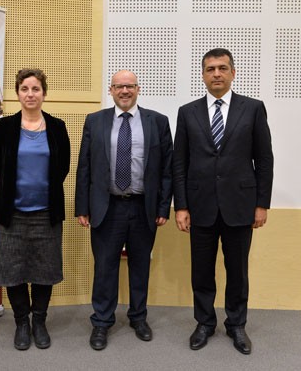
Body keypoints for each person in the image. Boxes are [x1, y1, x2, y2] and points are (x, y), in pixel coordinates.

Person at [172, 48, 273, 355]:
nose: (216, 73)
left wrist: (261, 204)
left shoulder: (253, 109)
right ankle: (204, 323)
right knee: (201, 271)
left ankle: (236, 324)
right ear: (203, 75)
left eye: (222, 68)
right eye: (210, 69)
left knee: (238, 270)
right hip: (200, 205)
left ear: (233, 72)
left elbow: (264, 159)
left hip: (240, 205)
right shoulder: (187, 112)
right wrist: (181, 206)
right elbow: (180, 162)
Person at [75, 70, 173, 350]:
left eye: (130, 86)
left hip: (144, 207)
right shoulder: (95, 121)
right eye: (119, 86)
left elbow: (167, 169)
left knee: (140, 266)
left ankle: (138, 317)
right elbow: (85, 166)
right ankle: (101, 322)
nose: (125, 91)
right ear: (111, 90)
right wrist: (83, 207)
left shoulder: (158, 121)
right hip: (107, 207)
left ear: (138, 89)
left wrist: (163, 206)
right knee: (105, 268)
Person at [0, 68, 70, 351]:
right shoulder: (4, 127)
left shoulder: (57, 127)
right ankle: (22, 322)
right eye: (25, 89)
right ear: (17, 93)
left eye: (35, 89)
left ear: (44, 93)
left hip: (46, 213)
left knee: (44, 270)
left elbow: (62, 168)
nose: (30, 94)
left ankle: (39, 322)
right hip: (10, 214)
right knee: (13, 270)